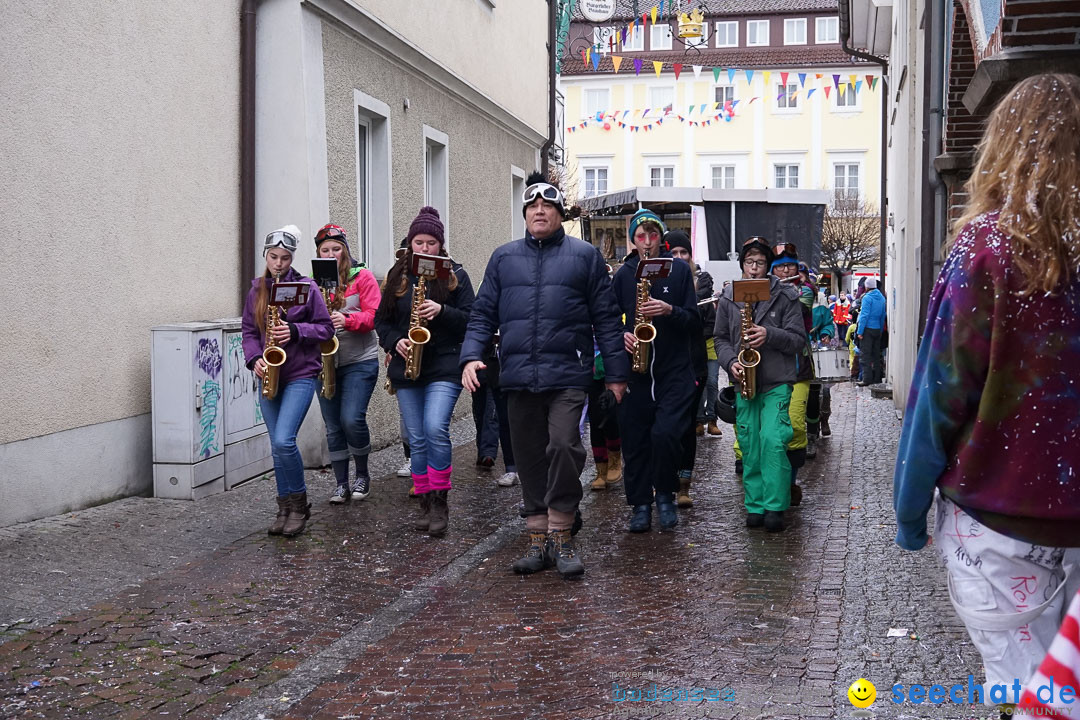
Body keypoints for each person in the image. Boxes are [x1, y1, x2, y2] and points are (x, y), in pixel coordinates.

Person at [893, 73, 1080, 705]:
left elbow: (941, 391)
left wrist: (910, 509)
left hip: (997, 521)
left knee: (1030, 698)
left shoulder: (988, 247)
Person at [461, 172, 628, 578]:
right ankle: (538, 539)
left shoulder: (584, 256)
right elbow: (482, 313)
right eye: (532, 206)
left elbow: (606, 319)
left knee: (564, 446)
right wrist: (469, 357)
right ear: (524, 215)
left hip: (568, 373)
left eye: (548, 206)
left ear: (558, 215)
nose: (539, 211)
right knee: (528, 456)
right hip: (517, 375)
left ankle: (562, 532)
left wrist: (616, 376)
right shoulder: (503, 257)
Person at [375, 207, 475, 538]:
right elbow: (382, 321)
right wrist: (395, 343)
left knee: (435, 427)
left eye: (431, 242)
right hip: (408, 366)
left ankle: (441, 502)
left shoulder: (455, 274)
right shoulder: (397, 274)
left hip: (445, 364)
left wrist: (442, 310)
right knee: (416, 437)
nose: (425, 248)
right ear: (411, 242)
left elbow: (472, 320)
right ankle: (425, 502)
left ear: (440, 244)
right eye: (419, 241)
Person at [242, 225, 335, 537]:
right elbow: (249, 332)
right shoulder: (257, 289)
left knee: (284, 440)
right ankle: (283, 507)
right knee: (277, 445)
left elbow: (326, 329)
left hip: (299, 374)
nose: (278, 263)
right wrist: (255, 358)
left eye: (284, 258)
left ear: (292, 258)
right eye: (273, 257)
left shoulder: (306, 287)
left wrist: (295, 331)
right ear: (266, 256)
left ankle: (298, 505)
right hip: (269, 372)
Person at [611, 213, 699, 532]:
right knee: (634, 440)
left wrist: (669, 310)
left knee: (665, 435)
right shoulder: (623, 276)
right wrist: (622, 335)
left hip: (673, 370)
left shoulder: (676, 271)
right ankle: (640, 505)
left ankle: (664, 495)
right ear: (633, 240)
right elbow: (608, 320)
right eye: (640, 236)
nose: (646, 242)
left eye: (651, 235)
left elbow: (694, 319)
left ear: (659, 238)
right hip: (635, 371)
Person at [714, 238, 805, 532]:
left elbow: (797, 341)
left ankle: (776, 506)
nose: (754, 269)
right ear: (742, 265)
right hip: (744, 381)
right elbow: (720, 339)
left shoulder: (786, 296)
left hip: (777, 381)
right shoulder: (729, 295)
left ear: (769, 267)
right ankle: (754, 505)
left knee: (773, 441)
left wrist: (769, 334)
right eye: (749, 263)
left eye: (761, 263)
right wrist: (731, 363)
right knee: (750, 443)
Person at [313, 224, 382, 504]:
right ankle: (341, 483)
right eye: (325, 250)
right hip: (326, 363)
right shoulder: (314, 282)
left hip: (359, 360)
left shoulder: (362, 277)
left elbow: (375, 315)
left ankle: (362, 475)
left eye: (336, 249)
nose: (331, 254)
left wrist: (348, 320)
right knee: (332, 425)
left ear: (345, 250)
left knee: (351, 418)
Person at [666, 229, 713, 508]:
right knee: (666, 427)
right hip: (667, 363)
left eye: (684, 253)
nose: (680, 258)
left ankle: (684, 484)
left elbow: (709, 325)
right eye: (674, 253)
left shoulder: (702, 286)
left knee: (686, 426)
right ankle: (665, 479)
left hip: (694, 362)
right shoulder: (660, 281)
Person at [856, 277, 886, 385]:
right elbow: (883, 315)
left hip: (867, 329)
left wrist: (860, 332)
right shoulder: (882, 298)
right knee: (876, 355)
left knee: (865, 355)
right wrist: (881, 329)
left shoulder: (867, 298)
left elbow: (864, 316)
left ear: (866, 286)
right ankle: (877, 378)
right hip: (877, 329)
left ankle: (867, 379)